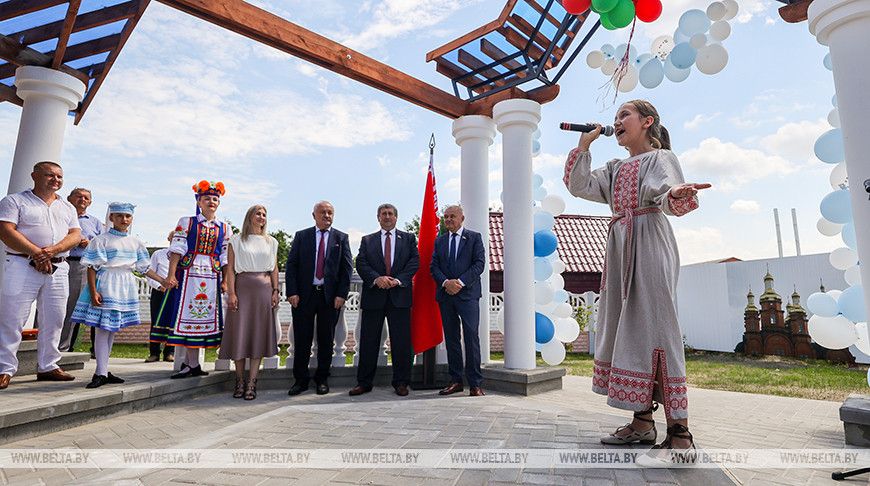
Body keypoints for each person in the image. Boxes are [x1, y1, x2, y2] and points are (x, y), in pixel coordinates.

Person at [563, 100, 711, 467]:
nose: (616, 122)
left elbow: (668, 195)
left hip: (649, 240)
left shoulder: (661, 158)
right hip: (620, 245)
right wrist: (584, 146)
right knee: (628, 329)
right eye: (615, 118)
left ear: (647, 122)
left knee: (658, 329)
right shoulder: (614, 168)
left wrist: (677, 194)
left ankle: (680, 432)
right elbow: (579, 185)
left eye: (624, 115)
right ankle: (642, 423)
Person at [0, 161, 82, 390]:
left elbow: (75, 234)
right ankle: (4, 368)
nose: (55, 180)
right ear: (34, 176)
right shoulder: (14, 201)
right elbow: (5, 230)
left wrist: (53, 251)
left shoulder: (67, 207)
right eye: (49, 175)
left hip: (58, 267)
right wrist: (37, 253)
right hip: (21, 264)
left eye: (59, 176)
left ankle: (48, 366)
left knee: (55, 318)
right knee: (12, 317)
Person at [71, 202, 166, 388]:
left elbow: (144, 268)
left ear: (131, 219)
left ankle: (103, 370)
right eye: (119, 216)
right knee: (102, 328)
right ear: (111, 218)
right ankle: (100, 372)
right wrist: (93, 291)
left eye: (127, 216)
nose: (124, 219)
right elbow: (92, 267)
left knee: (112, 329)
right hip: (107, 282)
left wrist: (163, 280)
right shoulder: (101, 240)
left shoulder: (136, 242)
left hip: (125, 286)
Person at [150, 180, 230, 379]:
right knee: (188, 317)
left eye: (215, 199)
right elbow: (177, 249)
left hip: (211, 276)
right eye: (206, 198)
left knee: (202, 317)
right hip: (188, 275)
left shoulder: (225, 228)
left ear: (219, 203)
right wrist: (171, 275)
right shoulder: (187, 221)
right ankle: (192, 364)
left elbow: (225, 257)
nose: (211, 202)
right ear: (199, 202)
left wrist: (225, 280)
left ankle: (189, 364)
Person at [350, 203, 419, 397]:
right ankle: (364, 383)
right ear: (378, 218)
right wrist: (376, 279)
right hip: (374, 296)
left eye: (390, 214)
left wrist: (398, 280)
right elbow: (361, 262)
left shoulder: (408, 239)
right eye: (383, 214)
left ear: (396, 217)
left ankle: (401, 382)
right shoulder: (367, 240)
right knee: (368, 341)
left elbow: (414, 262)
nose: (387, 217)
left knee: (401, 343)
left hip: (400, 296)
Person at [285, 201, 353, 396]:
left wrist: (341, 294)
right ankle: (300, 380)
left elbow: (347, 269)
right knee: (302, 339)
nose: (327, 215)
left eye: (330, 212)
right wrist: (292, 292)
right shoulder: (302, 236)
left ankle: (322, 378)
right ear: (314, 215)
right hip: (304, 296)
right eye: (322, 212)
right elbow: (292, 265)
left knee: (326, 339)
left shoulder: (341, 238)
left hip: (329, 297)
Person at [220, 205, 280, 401]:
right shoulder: (236, 240)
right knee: (240, 333)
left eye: (264, 214)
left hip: (263, 291)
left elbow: (274, 269)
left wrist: (275, 291)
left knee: (257, 335)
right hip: (242, 289)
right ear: (249, 217)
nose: (261, 217)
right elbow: (230, 269)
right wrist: (231, 293)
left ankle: (252, 382)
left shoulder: (271, 242)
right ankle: (239, 380)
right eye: (258, 214)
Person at [430, 205, 486, 397]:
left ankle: (475, 384)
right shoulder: (439, 241)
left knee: (471, 338)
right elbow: (434, 266)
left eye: (452, 216)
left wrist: (459, 283)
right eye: (445, 217)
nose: (448, 220)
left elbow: (479, 264)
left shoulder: (474, 238)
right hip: (446, 295)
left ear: (462, 218)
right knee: (451, 339)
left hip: (468, 295)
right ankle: (455, 381)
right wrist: (446, 283)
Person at [59, 187, 104, 353]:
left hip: (81, 265)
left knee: (73, 305)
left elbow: (103, 246)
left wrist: (90, 244)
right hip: (58, 261)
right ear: (69, 198)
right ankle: (40, 342)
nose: (82, 200)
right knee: (51, 303)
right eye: (78, 196)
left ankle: (64, 346)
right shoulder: (60, 216)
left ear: (90, 202)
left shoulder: (95, 222)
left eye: (86, 198)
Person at [144, 231, 175, 363]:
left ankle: (169, 352)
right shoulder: (158, 254)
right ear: (169, 239)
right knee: (156, 321)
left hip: (174, 293)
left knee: (172, 322)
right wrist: (159, 286)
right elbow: (149, 273)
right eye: (174, 237)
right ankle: (154, 353)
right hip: (159, 291)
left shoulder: (184, 256)